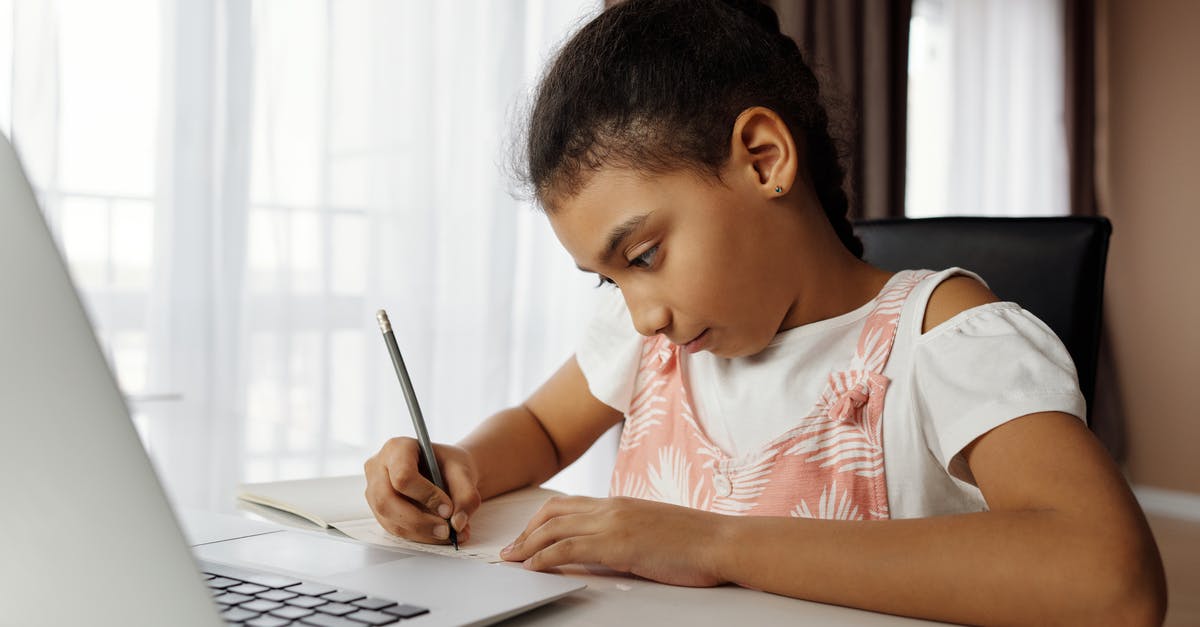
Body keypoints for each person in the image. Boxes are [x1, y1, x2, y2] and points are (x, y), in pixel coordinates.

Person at [363, 0, 1167, 623]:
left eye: (642, 256)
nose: (642, 313)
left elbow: (1112, 577)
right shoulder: (654, 342)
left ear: (763, 158)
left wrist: (711, 542)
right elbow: (540, 429)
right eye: (608, 280)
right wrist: (460, 462)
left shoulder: (939, 336)